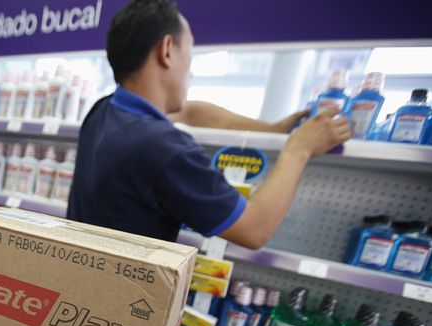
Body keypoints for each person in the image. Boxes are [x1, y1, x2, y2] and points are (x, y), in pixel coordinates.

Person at [67, 0, 352, 249]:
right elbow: (254, 229)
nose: (190, 71)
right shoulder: (165, 149)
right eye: (190, 54)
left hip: (86, 290)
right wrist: (298, 149)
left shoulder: (104, 109)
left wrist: (274, 129)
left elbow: (192, 112)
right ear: (167, 50)